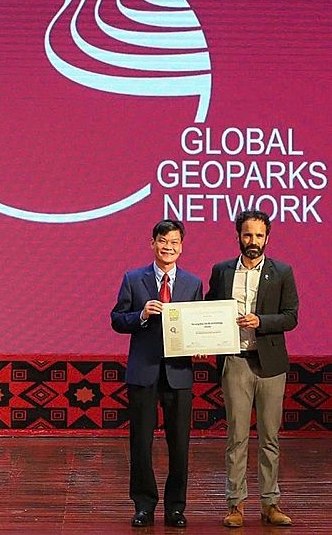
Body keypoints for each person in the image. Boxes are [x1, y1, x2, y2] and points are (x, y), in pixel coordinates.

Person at [206, 210, 299, 528]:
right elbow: (209, 310)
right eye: (248, 234)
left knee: (270, 437)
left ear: (267, 237)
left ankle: (270, 503)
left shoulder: (282, 271)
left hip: (270, 365)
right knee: (237, 437)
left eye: (259, 235)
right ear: (238, 236)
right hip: (235, 362)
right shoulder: (221, 271)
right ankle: (236, 504)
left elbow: (291, 316)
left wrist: (261, 321)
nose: (253, 241)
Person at [110, 219, 203, 528]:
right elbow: (117, 319)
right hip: (144, 371)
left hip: (179, 373)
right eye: (163, 241)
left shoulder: (193, 283)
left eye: (174, 242)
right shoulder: (133, 279)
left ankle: (176, 508)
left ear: (181, 247)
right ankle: (143, 505)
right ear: (152, 244)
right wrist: (141, 314)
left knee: (180, 444)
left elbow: (198, 324)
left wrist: (201, 344)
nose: (168, 247)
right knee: (140, 443)